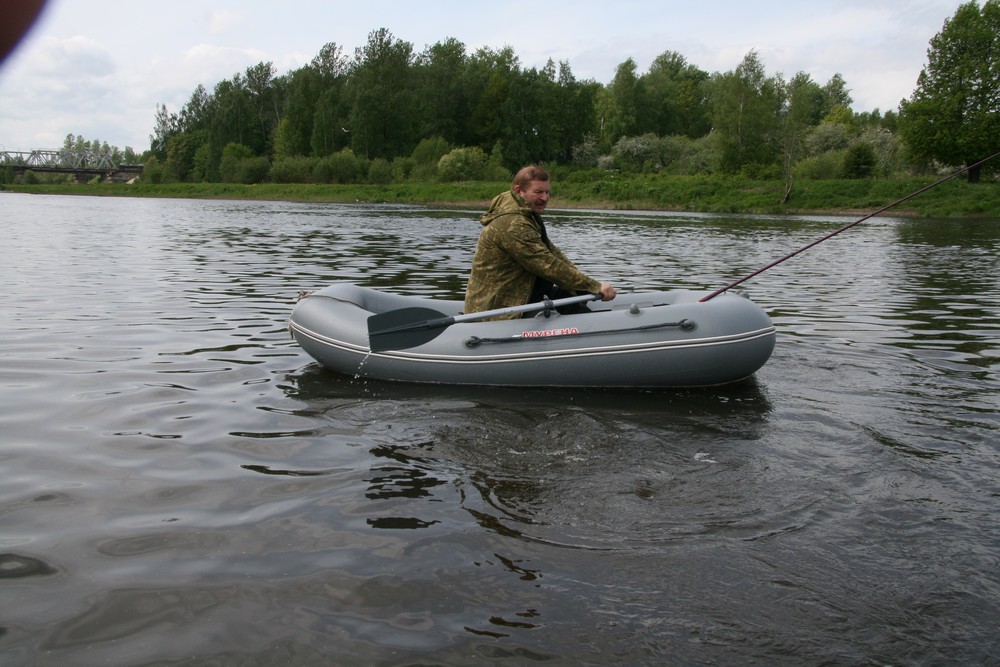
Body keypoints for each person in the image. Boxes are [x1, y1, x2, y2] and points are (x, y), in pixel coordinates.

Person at [464, 165, 616, 320]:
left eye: (547, 192)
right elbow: (547, 265)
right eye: (538, 192)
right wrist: (593, 286)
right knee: (566, 299)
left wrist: (588, 287)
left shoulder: (526, 214)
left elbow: (552, 253)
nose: (544, 198)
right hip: (499, 309)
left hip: (520, 295)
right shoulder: (513, 224)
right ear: (518, 191)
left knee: (568, 294)